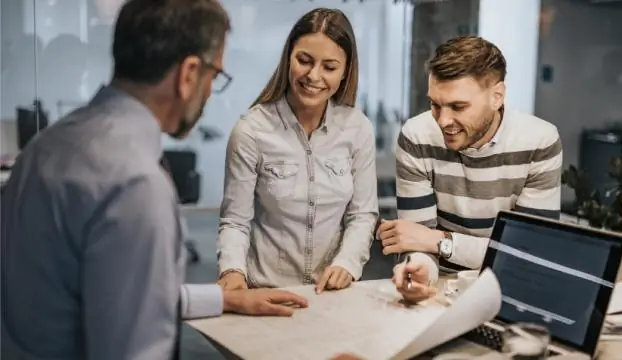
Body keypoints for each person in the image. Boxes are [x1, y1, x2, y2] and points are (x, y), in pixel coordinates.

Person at [0, 1, 307, 359]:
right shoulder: (135, 184)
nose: (209, 93)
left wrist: (224, 298)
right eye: (215, 77)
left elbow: (104, 290)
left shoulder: (46, 146)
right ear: (189, 74)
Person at [217, 8, 378, 293]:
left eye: (329, 67)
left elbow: (362, 215)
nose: (313, 76)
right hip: (266, 291)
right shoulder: (251, 131)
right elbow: (235, 221)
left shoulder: (358, 129)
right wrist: (233, 270)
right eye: (304, 60)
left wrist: (347, 264)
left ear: (345, 72)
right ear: (288, 58)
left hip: (331, 295)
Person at [377, 35, 562, 276]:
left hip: (510, 285)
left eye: (458, 107)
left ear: (497, 97)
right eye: (435, 105)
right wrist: (420, 273)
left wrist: (441, 242)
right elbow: (416, 241)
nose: (443, 121)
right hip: (440, 287)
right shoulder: (417, 136)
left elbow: (529, 255)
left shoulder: (539, 141)